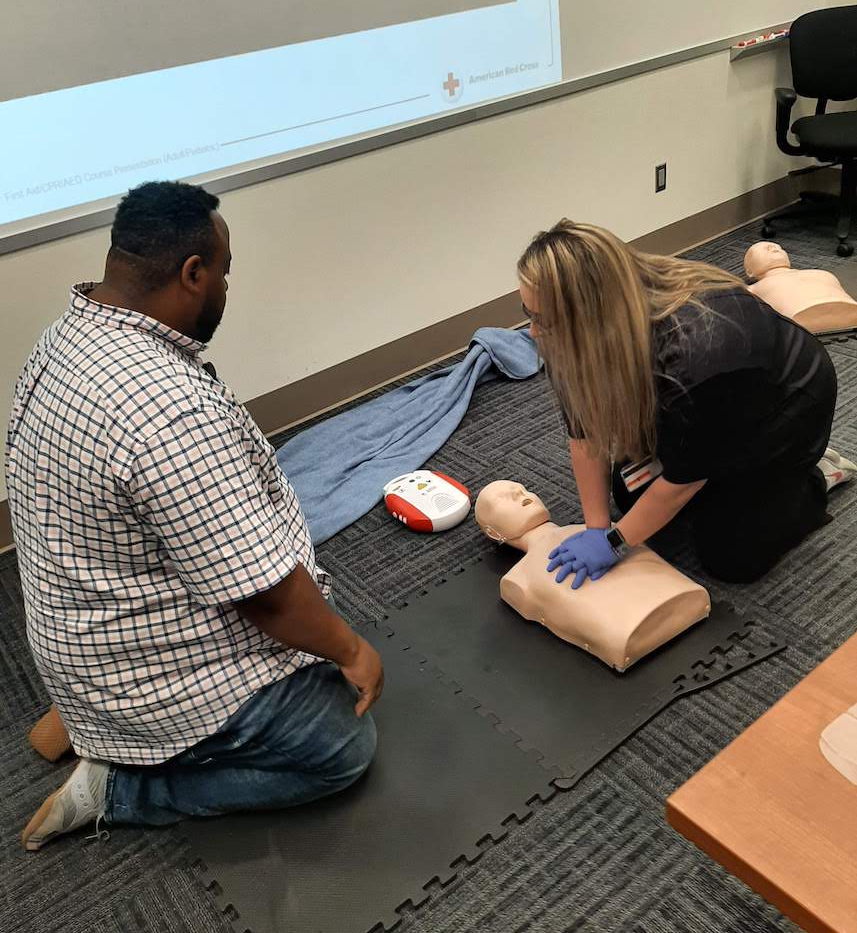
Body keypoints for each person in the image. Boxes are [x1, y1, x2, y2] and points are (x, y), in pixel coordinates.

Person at [5, 181, 383, 852]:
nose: (226, 290)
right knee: (341, 748)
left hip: (77, 624)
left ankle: (88, 714)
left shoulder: (64, 338)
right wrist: (350, 649)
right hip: (140, 667)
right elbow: (265, 599)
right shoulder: (167, 410)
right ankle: (126, 787)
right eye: (225, 274)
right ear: (192, 273)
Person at [516, 219, 853, 586]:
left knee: (732, 560)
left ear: (592, 314)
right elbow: (584, 433)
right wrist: (597, 526)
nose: (533, 331)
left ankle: (814, 475)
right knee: (628, 495)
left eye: (543, 319)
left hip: (784, 410)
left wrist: (614, 542)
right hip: (709, 401)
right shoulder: (574, 330)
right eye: (527, 313)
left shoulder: (699, 355)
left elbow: (682, 483)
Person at [474, 480, 710, 672]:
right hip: (629, 636)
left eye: (524, 489)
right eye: (504, 499)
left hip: (684, 595)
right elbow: (584, 442)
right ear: (492, 532)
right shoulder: (518, 579)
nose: (520, 494)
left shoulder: (608, 531)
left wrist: (611, 540)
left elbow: (686, 477)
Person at [744, 240, 857, 333]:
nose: (774, 248)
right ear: (750, 272)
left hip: (847, 308)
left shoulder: (821, 273)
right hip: (799, 317)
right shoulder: (753, 289)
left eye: (780, 248)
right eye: (765, 249)